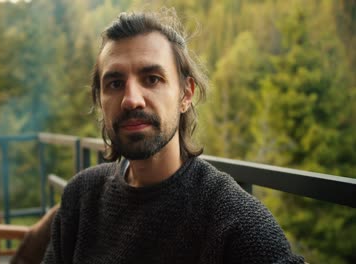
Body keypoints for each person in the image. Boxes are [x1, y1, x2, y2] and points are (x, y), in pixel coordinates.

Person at [43, 9, 305, 264]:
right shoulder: (80, 197)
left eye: (152, 79)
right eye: (115, 83)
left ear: (186, 94)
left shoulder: (234, 221)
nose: (131, 100)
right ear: (100, 99)